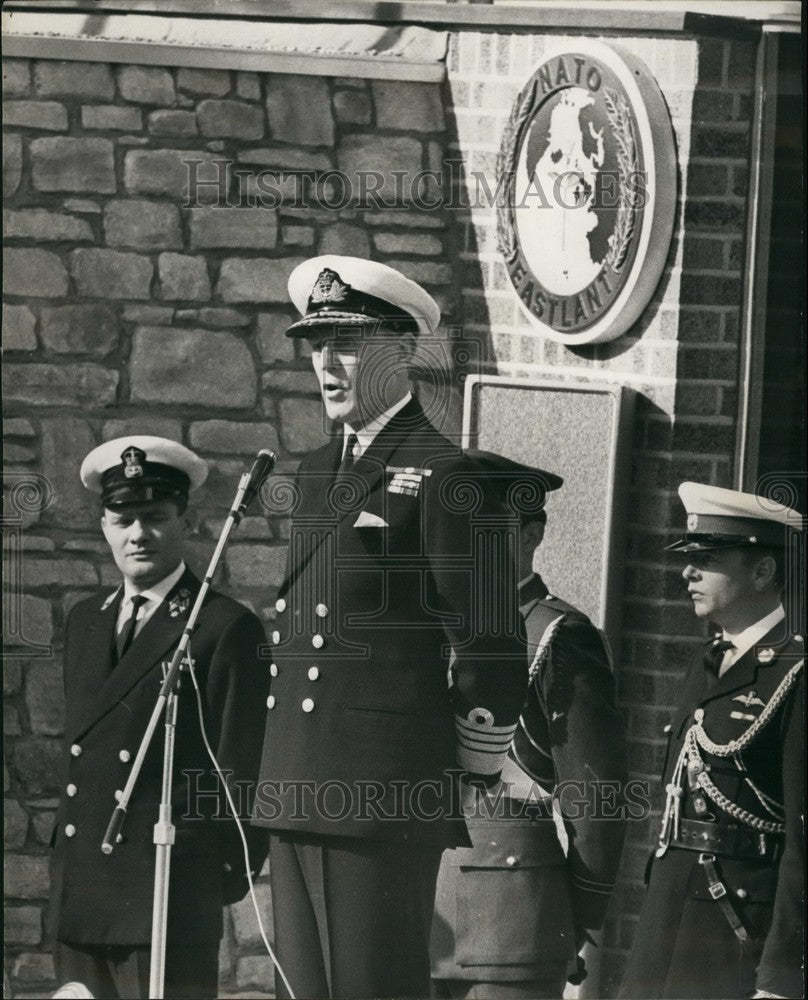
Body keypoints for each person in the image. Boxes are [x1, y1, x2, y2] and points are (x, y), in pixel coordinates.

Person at [251, 256, 527, 999]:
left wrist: (469, 767)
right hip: (298, 781)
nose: (327, 363)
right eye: (316, 343)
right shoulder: (315, 471)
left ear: (402, 354)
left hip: (382, 792)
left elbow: (493, 644)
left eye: (349, 342)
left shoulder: (445, 475)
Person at [49, 436, 270, 1000]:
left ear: (183, 522)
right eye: (123, 519)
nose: (138, 534)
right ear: (103, 526)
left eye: (154, 516)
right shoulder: (84, 623)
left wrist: (211, 882)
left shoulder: (222, 626)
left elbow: (240, 769)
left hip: (166, 897)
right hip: (82, 896)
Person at [431, 451, 628, 999]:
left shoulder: (556, 636)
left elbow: (596, 801)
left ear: (530, 535)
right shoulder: (427, 627)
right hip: (416, 907)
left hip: (509, 919)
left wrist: (581, 918)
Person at [620, 481, 804, 1000]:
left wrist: (783, 976)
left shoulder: (794, 672)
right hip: (669, 914)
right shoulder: (708, 662)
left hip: (737, 930)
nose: (688, 572)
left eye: (708, 558)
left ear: (763, 571)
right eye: (689, 557)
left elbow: (803, 837)